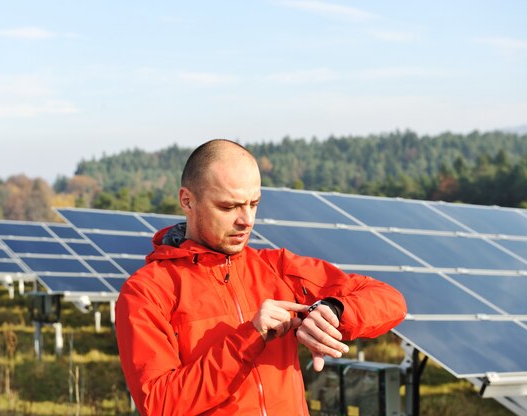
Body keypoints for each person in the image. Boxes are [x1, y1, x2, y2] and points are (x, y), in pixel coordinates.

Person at [115, 139, 407, 416]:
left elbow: (389, 300)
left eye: (253, 203)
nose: (247, 220)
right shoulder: (147, 291)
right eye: (228, 207)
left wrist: (333, 311)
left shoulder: (276, 266)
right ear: (187, 201)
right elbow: (159, 403)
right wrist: (250, 337)